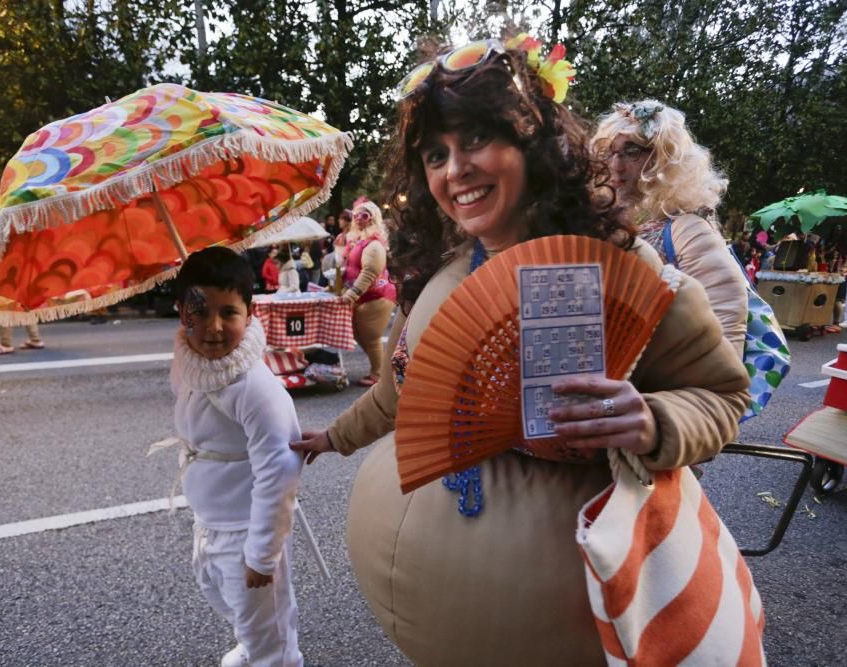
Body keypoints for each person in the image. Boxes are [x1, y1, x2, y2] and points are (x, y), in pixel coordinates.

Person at [290, 35, 749, 665]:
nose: (455, 170)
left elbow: (722, 396)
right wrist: (334, 437)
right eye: (435, 154)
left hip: (570, 624)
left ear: (535, 144)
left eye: (476, 139)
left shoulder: (624, 270)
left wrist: (653, 420)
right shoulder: (442, 273)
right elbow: (402, 394)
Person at [170, 246, 303, 667]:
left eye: (228, 312)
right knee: (234, 603)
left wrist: (262, 554)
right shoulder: (190, 364)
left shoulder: (254, 387)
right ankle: (253, 644)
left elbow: (278, 473)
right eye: (199, 310)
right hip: (210, 522)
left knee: (268, 626)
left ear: (250, 313)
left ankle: (273, 657)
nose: (212, 327)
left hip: (247, 528)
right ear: (180, 311)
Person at [592, 100, 748, 357]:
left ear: (664, 159)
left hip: (666, 386)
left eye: (632, 151)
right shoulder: (609, 223)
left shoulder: (688, 230)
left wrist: (695, 395)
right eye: (610, 152)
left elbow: (727, 338)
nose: (615, 166)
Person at [341, 198, 396, 386]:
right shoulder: (362, 241)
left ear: (373, 218)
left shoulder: (374, 244)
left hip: (376, 297)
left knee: (371, 337)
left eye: (364, 215)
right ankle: (380, 370)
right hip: (365, 297)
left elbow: (370, 272)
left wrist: (352, 293)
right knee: (361, 335)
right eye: (356, 215)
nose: (358, 219)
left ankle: (379, 374)